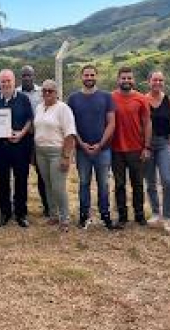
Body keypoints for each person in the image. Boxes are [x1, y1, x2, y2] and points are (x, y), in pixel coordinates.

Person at [67, 65, 116, 229]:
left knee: (103, 184)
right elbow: (71, 125)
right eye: (86, 75)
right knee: (84, 183)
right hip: (82, 150)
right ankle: (83, 215)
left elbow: (111, 123)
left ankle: (105, 215)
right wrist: (81, 144)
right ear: (81, 77)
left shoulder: (106, 97)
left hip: (103, 150)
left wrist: (100, 144)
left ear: (97, 76)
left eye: (92, 75)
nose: (89, 77)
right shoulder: (73, 99)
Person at [0, 69, 34, 227]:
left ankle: (21, 214)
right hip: (0, 148)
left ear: (14, 82)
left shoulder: (23, 99)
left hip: (21, 146)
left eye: (8, 81)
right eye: (3, 81)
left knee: (21, 180)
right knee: (2, 181)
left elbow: (29, 119)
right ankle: (5, 213)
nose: (6, 84)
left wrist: (21, 134)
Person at [110, 67, 152, 227]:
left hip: (136, 148)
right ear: (118, 80)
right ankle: (122, 216)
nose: (126, 81)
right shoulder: (111, 98)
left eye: (129, 78)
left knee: (138, 183)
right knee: (119, 184)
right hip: (116, 149)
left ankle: (139, 215)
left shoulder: (141, 99)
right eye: (123, 78)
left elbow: (147, 123)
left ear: (133, 80)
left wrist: (147, 147)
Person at [33, 79, 77, 231]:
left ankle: (65, 218)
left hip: (56, 152)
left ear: (56, 93)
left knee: (58, 187)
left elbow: (70, 134)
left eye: (50, 91)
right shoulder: (39, 107)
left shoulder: (63, 109)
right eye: (44, 90)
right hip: (41, 152)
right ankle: (53, 215)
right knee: (48, 185)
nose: (46, 93)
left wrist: (66, 156)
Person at [144, 71, 170, 233]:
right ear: (148, 82)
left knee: (168, 180)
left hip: (164, 143)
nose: (157, 82)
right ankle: (156, 213)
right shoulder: (143, 100)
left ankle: (168, 216)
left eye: (160, 80)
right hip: (147, 145)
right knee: (150, 181)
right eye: (154, 80)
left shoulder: (169, 100)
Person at [19, 65, 49, 217]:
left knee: (42, 173)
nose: (26, 78)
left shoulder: (41, 93)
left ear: (33, 76)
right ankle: (21, 207)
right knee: (21, 173)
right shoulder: (16, 93)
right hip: (21, 138)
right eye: (24, 75)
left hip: (39, 137)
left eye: (29, 75)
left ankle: (47, 206)